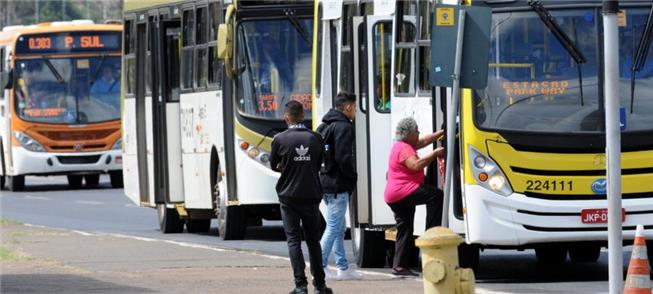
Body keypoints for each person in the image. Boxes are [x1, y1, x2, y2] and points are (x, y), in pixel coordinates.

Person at [269, 100, 333, 294]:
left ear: (286, 118)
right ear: (303, 116)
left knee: (293, 241)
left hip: (288, 197)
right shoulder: (316, 138)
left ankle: (300, 285)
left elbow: (274, 165)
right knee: (313, 241)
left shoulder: (279, 139)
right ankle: (320, 285)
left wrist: (284, 165)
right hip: (311, 196)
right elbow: (323, 162)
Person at [384, 117, 445, 277]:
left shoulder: (404, 145)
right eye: (416, 130)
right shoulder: (404, 148)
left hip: (394, 195)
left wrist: (443, 132)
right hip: (403, 191)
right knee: (436, 196)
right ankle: (431, 234)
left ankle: (400, 266)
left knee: (404, 229)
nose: (419, 133)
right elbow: (416, 165)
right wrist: (435, 154)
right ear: (409, 134)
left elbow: (424, 141)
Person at [316, 91, 362, 281]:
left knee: (338, 227)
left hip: (325, 182)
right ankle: (319, 266)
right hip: (338, 185)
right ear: (348, 107)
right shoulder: (344, 127)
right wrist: (353, 177)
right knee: (334, 226)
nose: (356, 111)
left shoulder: (324, 125)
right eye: (356, 107)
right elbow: (343, 158)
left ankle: (343, 267)